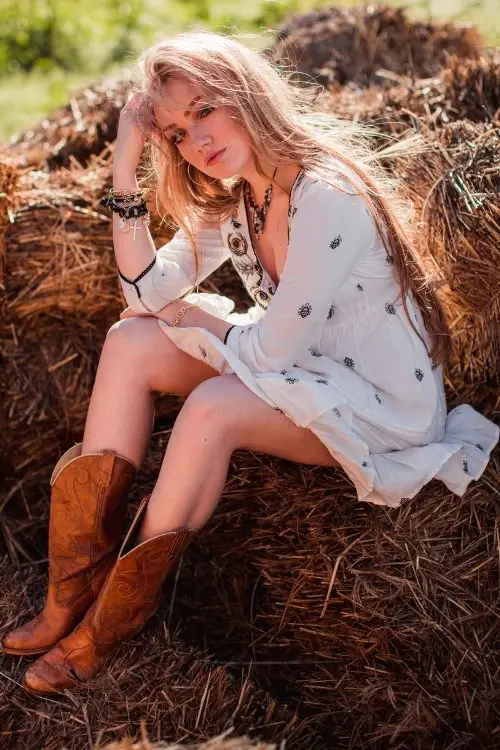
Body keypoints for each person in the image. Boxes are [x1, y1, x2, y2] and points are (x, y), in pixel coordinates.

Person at [2, 30, 498, 696]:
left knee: (210, 410)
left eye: (204, 110)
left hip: (380, 407)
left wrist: (198, 317)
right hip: (303, 371)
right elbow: (145, 292)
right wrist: (125, 162)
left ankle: (106, 624)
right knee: (129, 341)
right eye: (176, 132)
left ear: (246, 93)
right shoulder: (238, 196)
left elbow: (268, 352)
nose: (196, 139)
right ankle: (73, 584)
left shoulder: (328, 197)